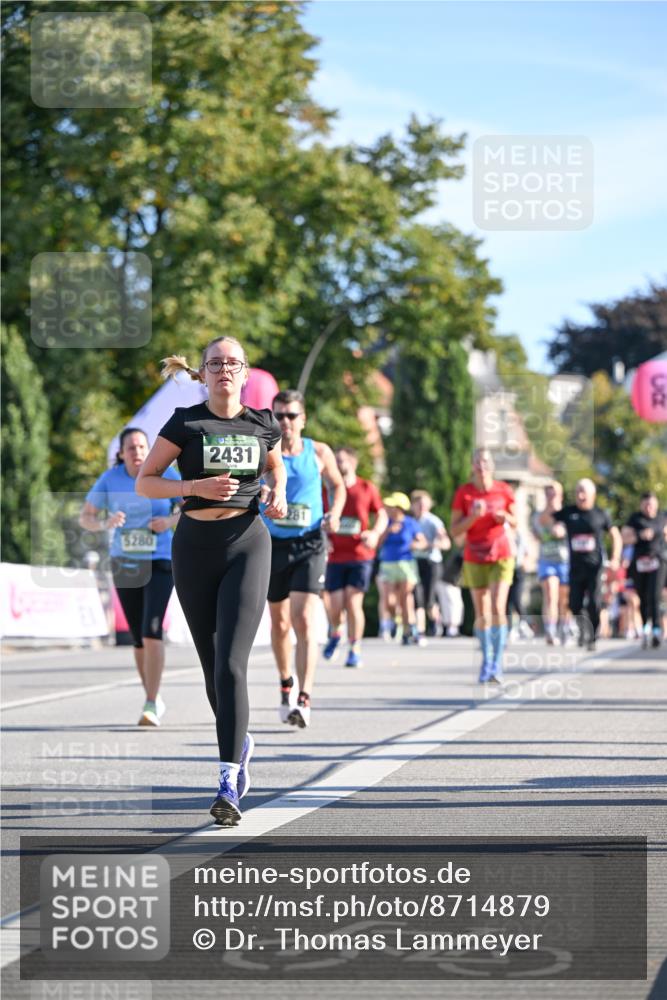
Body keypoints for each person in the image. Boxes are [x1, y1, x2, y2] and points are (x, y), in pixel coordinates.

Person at [136, 337, 287, 827]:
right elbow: (145, 480)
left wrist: (279, 492)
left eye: (233, 363)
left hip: (247, 542)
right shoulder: (185, 422)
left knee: (231, 664)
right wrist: (193, 487)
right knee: (211, 668)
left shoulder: (263, 422)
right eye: (215, 362)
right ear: (202, 373)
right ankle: (239, 744)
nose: (224, 369)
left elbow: (276, 466)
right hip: (194, 547)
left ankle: (227, 781)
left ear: (245, 372)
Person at [80, 427, 180, 727]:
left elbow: (190, 505)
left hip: (161, 560)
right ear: (121, 453)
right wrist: (106, 523)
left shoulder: (165, 472)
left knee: (152, 629)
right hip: (125, 562)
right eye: (131, 448)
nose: (137, 452)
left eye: (141, 447)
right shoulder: (110, 480)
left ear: (149, 450)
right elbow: (86, 517)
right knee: (138, 637)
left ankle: (150, 701)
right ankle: (153, 697)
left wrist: (170, 521)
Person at [264, 390, 346, 728]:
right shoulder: (263, 451)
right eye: (279, 415)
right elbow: (246, 485)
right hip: (272, 544)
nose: (285, 421)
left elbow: (338, 487)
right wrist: (263, 492)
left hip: (310, 542)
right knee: (280, 623)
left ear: (303, 420)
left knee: (304, 619)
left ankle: (304, 697)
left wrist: (335, 513)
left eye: (291, 415)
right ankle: (286, 682)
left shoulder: (319, 451)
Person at [451, 449, 517, 683]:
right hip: (475, 555)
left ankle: (497, 663)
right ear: (472, 466)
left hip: (501, 554)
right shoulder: (464, 493)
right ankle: (486, 660)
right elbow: (454, 530)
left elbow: (516, 521)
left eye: (486, 462)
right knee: (482, 612)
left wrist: (505, 518)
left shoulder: (504, 490)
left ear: (492, 466)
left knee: (498, 606)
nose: (482, 466)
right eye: (477, 462)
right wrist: (473, 517)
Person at [322, 447, 387, 668]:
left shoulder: (366, 487)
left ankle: (354, 648)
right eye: (335, 461)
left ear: (353, 462)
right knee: (334, 605)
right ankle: (336, 632)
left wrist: (375, 533)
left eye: (341, 460)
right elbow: (318, 516)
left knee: (353, 602)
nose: (338, 464)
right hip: (335, 555)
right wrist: (324, 537)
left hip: (360, 554)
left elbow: (381, 514)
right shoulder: (326, 489)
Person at [552, 478, 622, 651]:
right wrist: (553, 503)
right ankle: (583, 628)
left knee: (595, 602)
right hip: (575, 566)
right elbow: (548, 520)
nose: (581, 496)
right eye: (578, 492)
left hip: (595, 566)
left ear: (593, 495)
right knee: (574, 603)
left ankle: (592, 635)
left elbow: (615, 535)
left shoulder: (600, 514)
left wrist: (615, 558)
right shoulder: (569, 512)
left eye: (584, 492)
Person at [376, 493, 427, 646]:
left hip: (406, 564)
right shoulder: (385, 522)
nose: (388, 508)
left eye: (392, 506)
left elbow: (423, 542)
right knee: (389, 601)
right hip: (388, 564)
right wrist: (388, 531)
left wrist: (415, 545)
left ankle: (408, 629)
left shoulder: (410, 523)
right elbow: (377, 543)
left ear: (399, 508)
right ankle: (397, 621)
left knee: (405, 598)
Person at [624, 491, 667, 648]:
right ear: (641, 505)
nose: (649, 507)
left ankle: (656, 630)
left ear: (656, 504)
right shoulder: (635, 519)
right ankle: (644, 628)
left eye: (651, 504)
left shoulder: (662, 517)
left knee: (655, 596)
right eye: (646, 504)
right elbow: (624, 537)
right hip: (640, 563)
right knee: (642, 597)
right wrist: (640, 536)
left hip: (658, 562)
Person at [531, 482, 570, 645]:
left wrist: (562, 531)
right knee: (550, 594)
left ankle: (565, 627)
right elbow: (537, 534)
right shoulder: (538, 516)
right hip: (547, 561)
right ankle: (550, 629)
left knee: (564, 599)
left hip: (565, 561)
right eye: (548, 493)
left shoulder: (568, 514)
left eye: (554, 493)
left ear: (561, 495)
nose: (551, 497)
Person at [410, 490, 451, 637]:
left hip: (431, 562)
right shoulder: (411, 522)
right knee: (417, 596)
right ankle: (419, 629)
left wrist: (428, 545)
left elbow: (446, 543)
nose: (421, 507)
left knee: (429, 597)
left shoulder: (433, 521)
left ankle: (435, 622)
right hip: (414, 562)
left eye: (424, 504)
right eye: (418, 504)